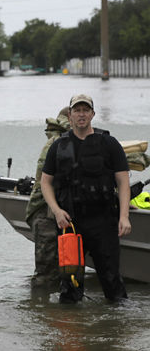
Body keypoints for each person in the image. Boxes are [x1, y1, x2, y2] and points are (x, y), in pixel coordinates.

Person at [40, 94, 131, 303]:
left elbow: (123, 182)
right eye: (77, 110)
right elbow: (45, 183)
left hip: (104, 221)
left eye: (85, 110)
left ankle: (117, 329)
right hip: (70, 223)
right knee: (70, 283)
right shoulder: (58, 146)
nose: (81, 114)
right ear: (70, 115)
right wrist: (56, 211)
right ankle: (71, 331)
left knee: (112, 282)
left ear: (92, 114)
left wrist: (124, 217)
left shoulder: (109, 143)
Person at [26, 107, 71, 287]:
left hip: (56, 212)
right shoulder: (56, 143)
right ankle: (40, 309)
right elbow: (46, 182)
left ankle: (47, 311)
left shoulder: (65, 141)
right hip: (45, 213)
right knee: (46, 274)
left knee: (63, 270)